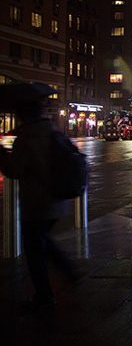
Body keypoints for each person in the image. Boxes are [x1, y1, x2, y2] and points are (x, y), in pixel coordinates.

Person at [0, 98, 77, 311]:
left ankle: (45, 295)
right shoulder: (53, 131)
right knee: (42, 239)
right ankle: (69, 270)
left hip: (36, 202)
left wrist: (2, 153)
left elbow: (13, 170)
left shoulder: (26, 138)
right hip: (57, 199)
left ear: (23, 115)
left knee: (34, 250)